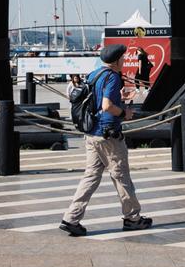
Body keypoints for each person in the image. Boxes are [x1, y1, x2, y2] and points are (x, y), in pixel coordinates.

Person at [60, 44, 152, 237]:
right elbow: (107, 105)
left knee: (91, 176)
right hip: (108, 135)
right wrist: (124, 113)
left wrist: (119, 100)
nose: (125, 62)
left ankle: (71, 218)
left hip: (92, 133)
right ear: (118, 60)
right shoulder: (112, 77)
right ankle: (133, 218)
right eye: (124, 58)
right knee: (121, 176)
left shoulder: (95, 74)